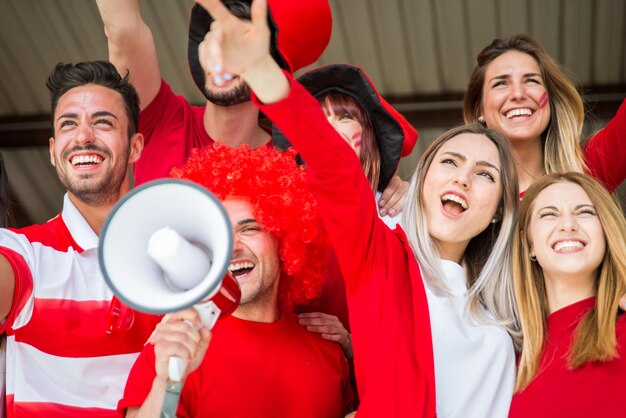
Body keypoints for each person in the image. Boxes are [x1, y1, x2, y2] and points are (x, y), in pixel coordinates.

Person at [200, 1, 523, 416]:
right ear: (422, 182)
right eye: (449, 161)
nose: (462, 178)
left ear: (499, 207)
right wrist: (263, 71)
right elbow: (335, 167)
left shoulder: (509, 301)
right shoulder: (382, 259)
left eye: (485, 175)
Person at [95, 0, 408, 216]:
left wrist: (382, 184)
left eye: (241, 42)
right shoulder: (161, 118)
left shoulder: (297, 164)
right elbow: (122, 28)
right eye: (214, 36)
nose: (223, 51)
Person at [118, 144, 354, 418]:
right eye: (219, 235)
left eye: (249, 228)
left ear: (285, 238)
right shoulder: (175, 347)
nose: (232, 247)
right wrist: (170, 382)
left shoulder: (328, 352)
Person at [0, 61, 161, 417]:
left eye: (102, 122)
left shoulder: (174, 261)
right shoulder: (22, 251)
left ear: (135, 147)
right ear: (53, 151)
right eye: (69, 124)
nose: (84, 136)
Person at [509, 172, 626, 417]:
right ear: (529, 243)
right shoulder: (507, 360)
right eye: (549, 214)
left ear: (606, 231)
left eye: (584, 212)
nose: (568, 224)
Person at [464, 33, 626, 194]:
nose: (518, 93)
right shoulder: (465, 190)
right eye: (501, 83)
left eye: (531, 80)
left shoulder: (586, 168)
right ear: (479, 109)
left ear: (550, 101)